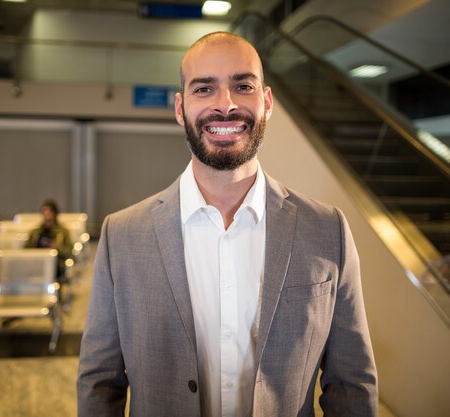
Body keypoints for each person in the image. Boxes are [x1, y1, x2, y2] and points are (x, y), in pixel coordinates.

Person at [77, 32, 378, 417]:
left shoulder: (327, 229)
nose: (226, 105)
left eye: (243, 86)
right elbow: (99, 384)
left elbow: (351, 384)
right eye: (204, 89)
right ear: (180, 108)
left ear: (266, 102)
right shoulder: (122, 235)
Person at [24, 199, 73, 278]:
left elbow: (70, 252)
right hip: (37, 261)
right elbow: (25, 249)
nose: (47, 214)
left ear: (55, 213)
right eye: (44, 211)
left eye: (49, 211)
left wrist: (57, 248)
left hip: (55, 263)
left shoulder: (63, 232)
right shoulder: (35, 232)